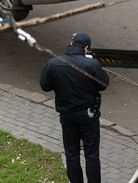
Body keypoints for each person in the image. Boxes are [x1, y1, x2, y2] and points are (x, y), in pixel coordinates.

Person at [40, 33, 109, 183]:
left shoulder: (53, 63)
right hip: (88, 115)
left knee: (71, 153)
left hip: (67, 115)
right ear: (86, 48)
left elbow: (45, 85)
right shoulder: (91, 64)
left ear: (71, 44)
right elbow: (103, 84)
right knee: (91, 155)